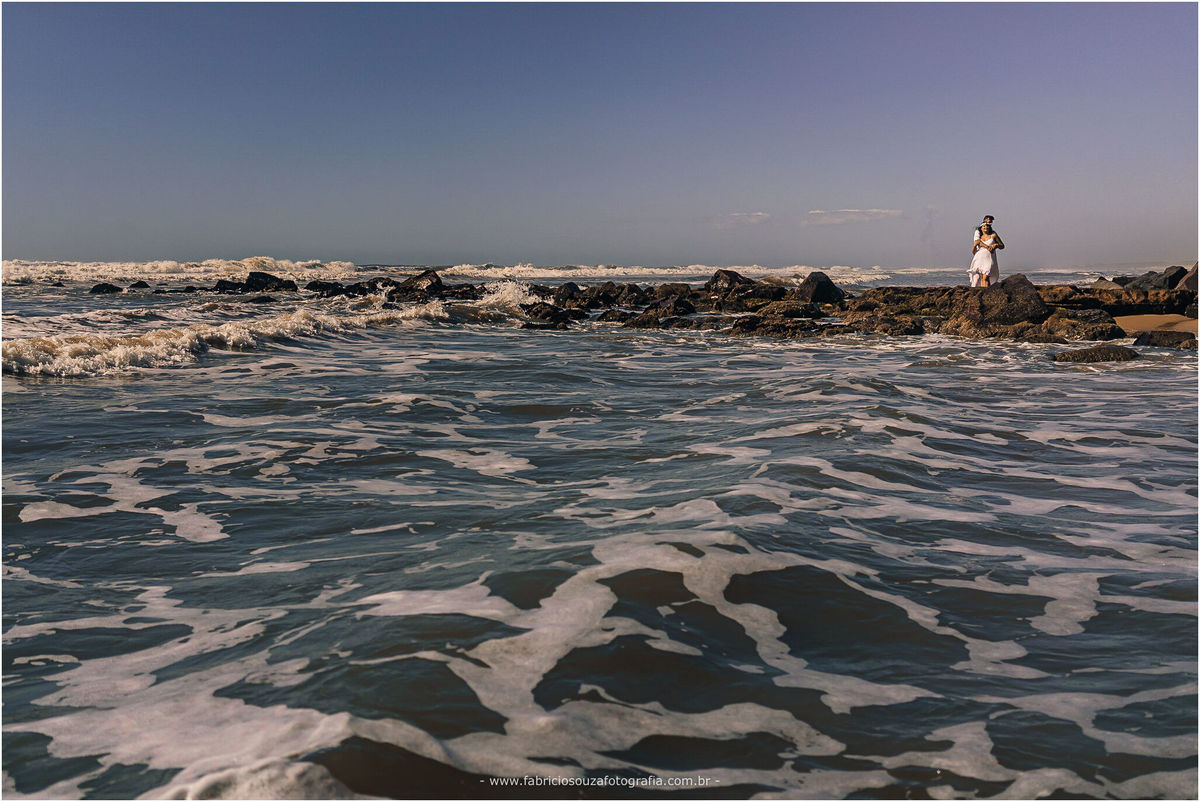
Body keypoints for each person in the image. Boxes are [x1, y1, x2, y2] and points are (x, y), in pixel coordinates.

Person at [969, 222, 1003, 287]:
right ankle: (986, 292)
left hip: (989, 258)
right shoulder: (979, 239)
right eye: (984, 226)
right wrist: (974, 246)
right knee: (982, 278)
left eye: (987, 226)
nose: (985, 227)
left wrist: (996, 245)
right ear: (981, 229)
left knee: (986, 276)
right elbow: (974, 252)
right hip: (979, 258)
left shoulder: (993, 236)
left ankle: (986, 292)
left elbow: (1002, 246)